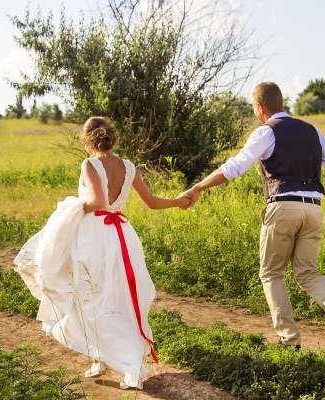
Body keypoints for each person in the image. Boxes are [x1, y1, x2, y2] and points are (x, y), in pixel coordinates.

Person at [181, 81, 325, 354]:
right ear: (282, 103)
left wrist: (198, 187)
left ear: (260, 107)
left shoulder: (266, 132)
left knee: (271, 273)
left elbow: (235, 167)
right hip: (314, 208)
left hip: (282, 207)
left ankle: (289, 341)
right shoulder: (312, 130)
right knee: (308, 272)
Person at [14, 116, 192, 390]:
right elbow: (152, 202)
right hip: (121, 234)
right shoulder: (129, 167)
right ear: (113, 137)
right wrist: (177, 202)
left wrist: (72, 208)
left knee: (90, 294)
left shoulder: (90, 164)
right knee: (117, 296)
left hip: (94, 236)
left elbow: (98, 202)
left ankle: (115, 358)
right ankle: (102, 355)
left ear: (87, 141)